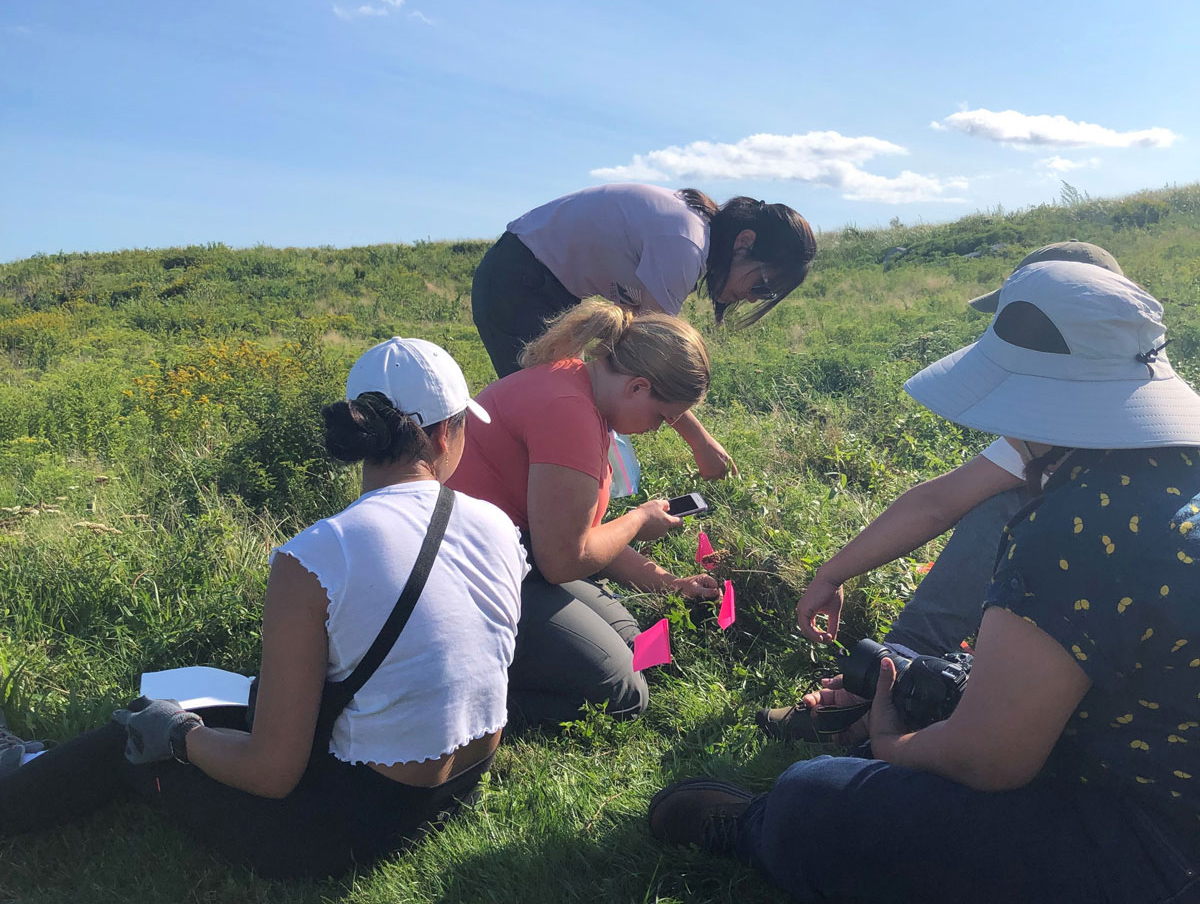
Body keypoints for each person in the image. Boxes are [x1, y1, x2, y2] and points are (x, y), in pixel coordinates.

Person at [649, 261, 1200, 903]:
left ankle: (760, 828)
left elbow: (991, 760)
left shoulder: (1073, 527)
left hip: (1155, 839)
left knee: (814, 796)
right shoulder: (1165, 465)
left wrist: (893, 746)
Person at [0, 338, 527, 880]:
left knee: (131, 734)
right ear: (445, 433)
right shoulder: (498, 526)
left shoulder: (318, 555)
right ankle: (41, 761)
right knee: (248, 702)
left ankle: (15, 780)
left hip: (345, 832)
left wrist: (179, 734)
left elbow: (273, 773)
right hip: (459, 788)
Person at [758, 242, 1127, 741]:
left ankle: (897, 702)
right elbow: (937, 501)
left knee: (1019, 518)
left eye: (1015, 327)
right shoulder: (1059, 419)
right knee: (1001, 506)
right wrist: (833, 573)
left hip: (1126, 669)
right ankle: (895, 677)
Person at [448, 299, 721, 728]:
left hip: (515, 555)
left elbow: (579, 536)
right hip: (470, 575)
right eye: (662, 417)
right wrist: (636, 521)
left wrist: (669, 584)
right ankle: (462, 697)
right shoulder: (569, 413)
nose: (657, 428)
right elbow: (563, 561)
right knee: (625, 694)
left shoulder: (577, 385)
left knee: (638, 645)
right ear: (638, 387)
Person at [471, 182, 818, 480]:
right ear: (744, 242)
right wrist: (701, 443)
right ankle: (532, 517)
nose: (752, 296)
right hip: (517, 282)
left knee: (563, 404)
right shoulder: (685, 245)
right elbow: (652, 362)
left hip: (540, 283)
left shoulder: (690, 235)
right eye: (762, 285)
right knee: (546, 413)